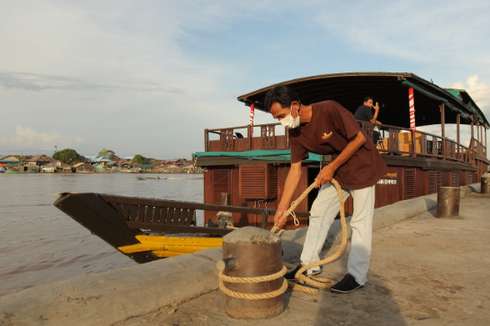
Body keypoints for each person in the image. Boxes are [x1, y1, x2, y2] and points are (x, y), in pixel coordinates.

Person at [264, 85, 388, 293]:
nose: (281, 122)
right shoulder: (295, 132)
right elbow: (295, 172)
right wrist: (281, 209)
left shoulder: (330, 109)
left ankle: (357, 276)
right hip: (339, 169)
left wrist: (331, 167)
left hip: (363, 164)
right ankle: (308, 265)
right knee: (319, 211)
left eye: (282, 116)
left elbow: (358, 139)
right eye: (277, 118)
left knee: (359, 221)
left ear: (295, 106)